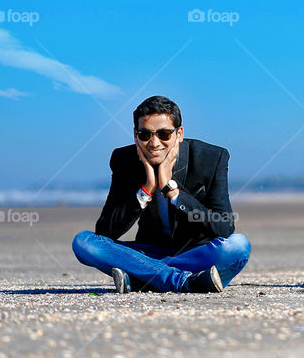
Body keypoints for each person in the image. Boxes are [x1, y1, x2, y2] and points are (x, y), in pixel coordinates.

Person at [72, 95, 251, 293]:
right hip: (149, 251)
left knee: (238, 246)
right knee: (84, 242)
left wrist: (173, 192)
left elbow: (224, 226)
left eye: (164, 134)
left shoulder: (212, 157)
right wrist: (146, 189)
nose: (154, 143)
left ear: (179, 134)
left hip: (195, 253)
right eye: (145, 134)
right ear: (135, 135)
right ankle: (181, 281)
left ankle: (144, 278)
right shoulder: (123, 160)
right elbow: (106, 231)